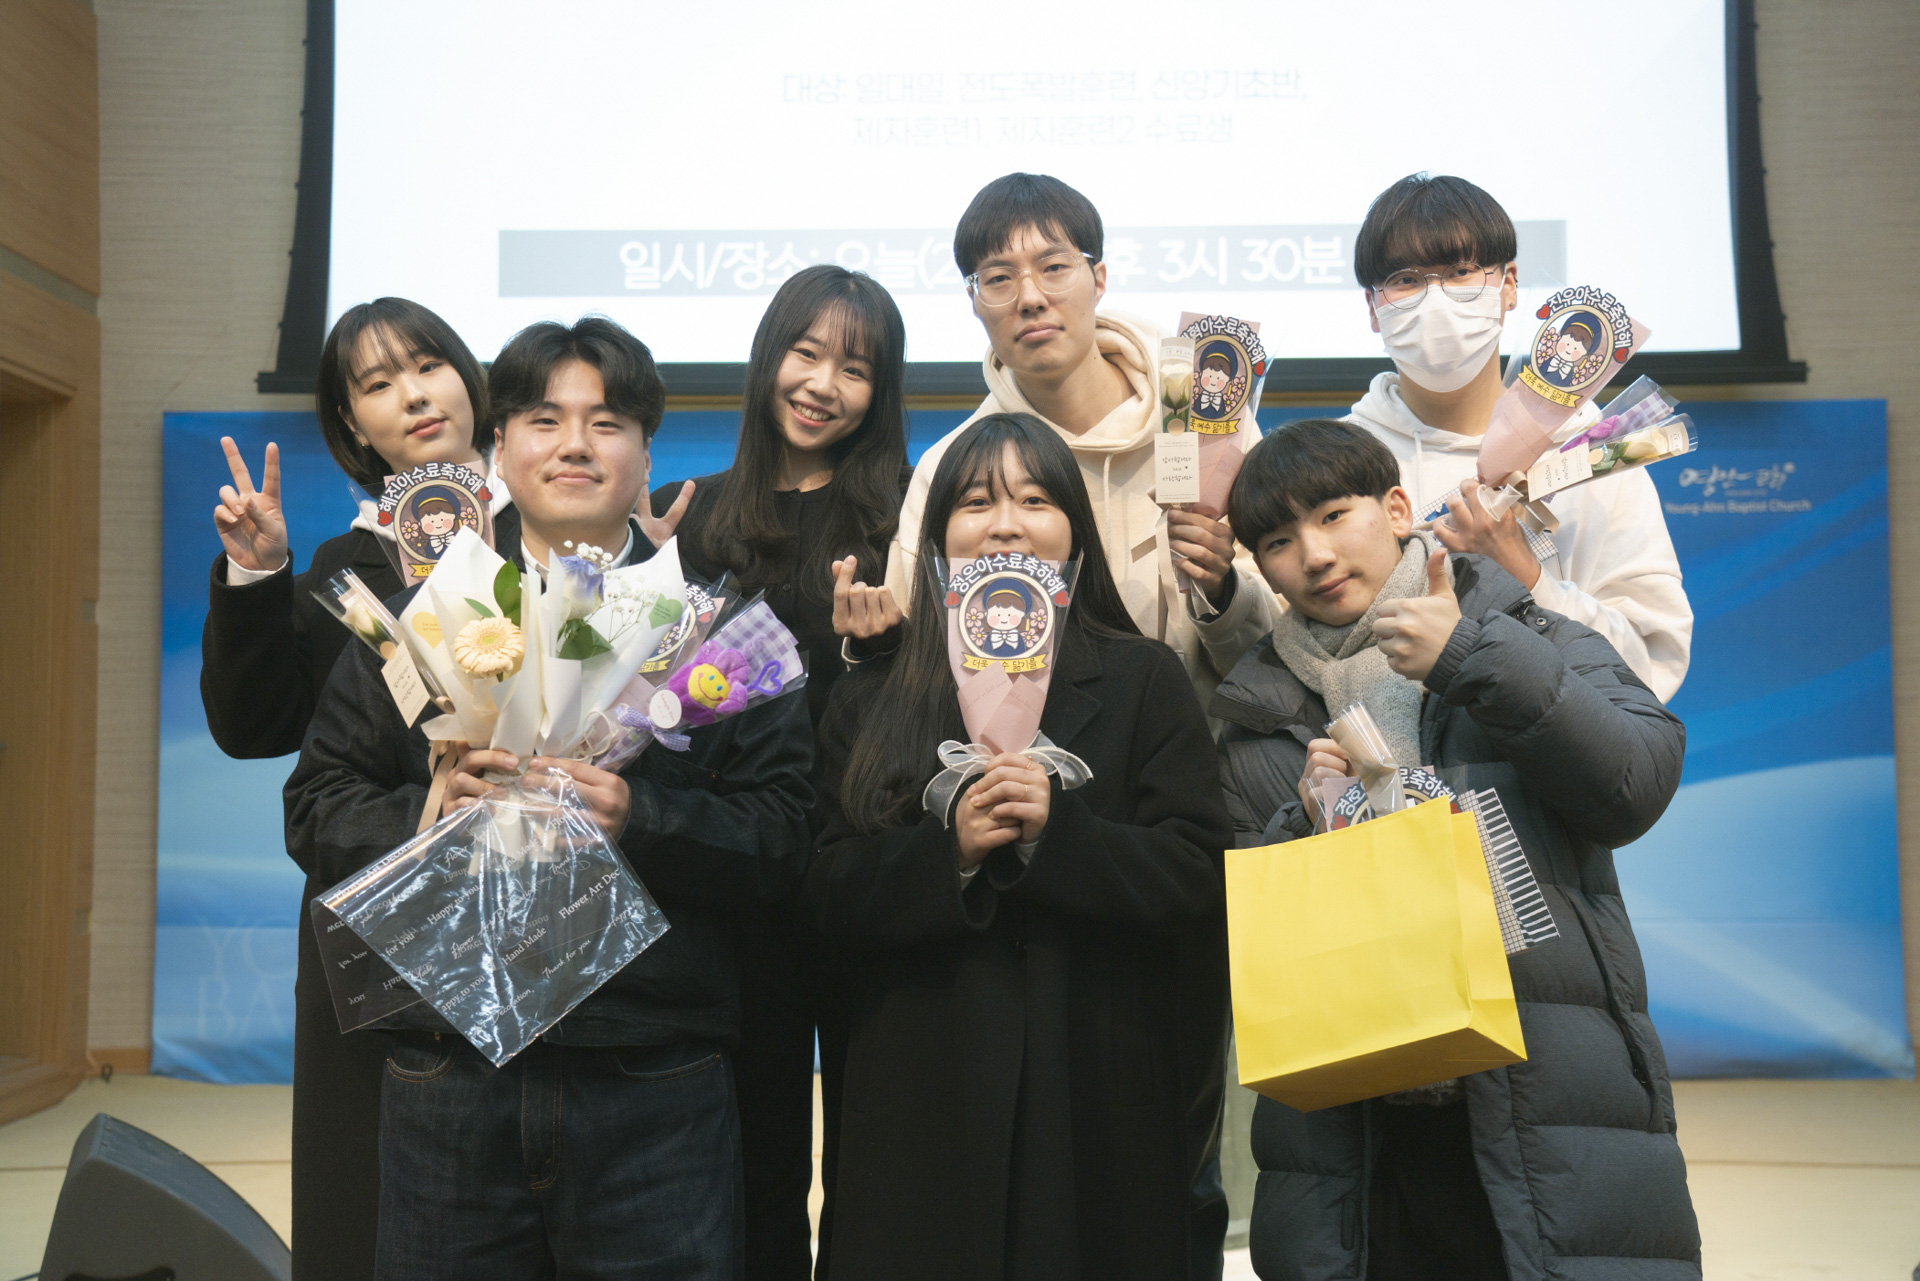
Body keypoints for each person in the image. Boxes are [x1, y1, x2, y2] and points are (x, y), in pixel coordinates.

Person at [285, 316, 815, 1279]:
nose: (575, 443)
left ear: (645, 452)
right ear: (499, 449)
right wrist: (430, 815)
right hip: (448, 1074)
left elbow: (784, 837)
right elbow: (316, 805)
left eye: (606, 422)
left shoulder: (715, 634)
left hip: (654, 1076)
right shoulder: (424, 617)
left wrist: (640, 818)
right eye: (544, 419)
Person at [1210, 418, 1700, 1279]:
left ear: (1398, 509)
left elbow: (1636, 779)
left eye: (1333, 515)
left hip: (1545, 1098)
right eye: (1279, 541)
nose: (1314, 554)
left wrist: (1470, 655)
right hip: (1356, 1140)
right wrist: (1305, 824)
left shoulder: (1516, 624)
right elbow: (1248, 939)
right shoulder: (1258, 714)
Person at [807, 412, 1231, 1281]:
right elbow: (823, 889)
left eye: (1036, 499)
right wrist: (950, 853)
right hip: (917, 1095)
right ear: (936, 537)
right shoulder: (873, 693)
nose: (1005, 524)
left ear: (1076, 531)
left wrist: (1061, 835)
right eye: (975, 502)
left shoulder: (1144, 677)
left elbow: (1199, 874)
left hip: (1095, 1089)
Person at [198, 296, 508, 1281]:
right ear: (353, 424)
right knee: (364, 1211)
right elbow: (255, 729)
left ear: (469, 378)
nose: (413, 394)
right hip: (374, 933)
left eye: (428, 365)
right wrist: (258, 579)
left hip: (534, 921)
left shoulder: (556, 533)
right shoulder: (346, 566)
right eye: (378, 384)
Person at [647, 264, 911, 1280]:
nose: (822, 385)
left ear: (879, 392)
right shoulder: (689, 515)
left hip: (857, 866)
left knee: (876, 1147)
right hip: (734, 875)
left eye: (855, 367)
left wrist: (880, 651)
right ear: (768, 358)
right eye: (806, 354)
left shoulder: (904, 518)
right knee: (750, 1149)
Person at [862, 173, 1282, 702]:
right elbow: (922, 650)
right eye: (998, 278)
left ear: (1098, 278)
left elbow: (1289, 638)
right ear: (973, 299)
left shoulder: (1204, 421)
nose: (1030, 298)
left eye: (1055, 268)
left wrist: (1222, 591)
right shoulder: (953, 465)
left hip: (1200, 743)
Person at [1345, 172, 1693, 701]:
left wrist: (1526, 575)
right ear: (1373, 307)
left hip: (1547, 747)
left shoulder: (1591, 452)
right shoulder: (1337, 459)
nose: (1435, 299)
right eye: (1406, 279)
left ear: (1509, 285)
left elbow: (1650, 664)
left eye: (1460, 272)